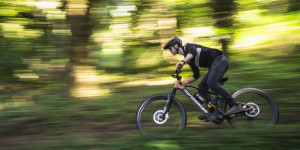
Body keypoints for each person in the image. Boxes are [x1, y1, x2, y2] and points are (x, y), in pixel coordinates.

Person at [163, 37, 244, 117]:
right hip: (214, 65)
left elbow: (193, 52)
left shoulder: (188, 47)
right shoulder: (188, 59)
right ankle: (214, 112)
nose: (170, 51)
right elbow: (196, 75)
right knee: (201, 88)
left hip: (220, 60)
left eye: (170, 48)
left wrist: (182, 62)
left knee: (211, 83)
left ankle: (235, 105)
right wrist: (185, 83)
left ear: (176, 45)